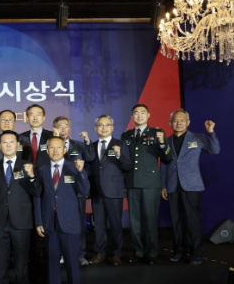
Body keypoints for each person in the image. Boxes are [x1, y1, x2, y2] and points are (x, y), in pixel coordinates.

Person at [35, 136, 89, 284]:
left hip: (70, 223)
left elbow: (85, 191)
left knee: (72, 263)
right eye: (52, 147)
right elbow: (38, 197)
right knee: (52, 263)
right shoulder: (42, 170)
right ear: (47, 150)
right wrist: (39, 221)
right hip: (50, 223)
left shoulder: (74, 168)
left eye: (58, 147)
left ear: (65, 150)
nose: (55, 150)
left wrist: (81, 172)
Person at [0, 131, 41, 284]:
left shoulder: (27, 166)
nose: (8, 145)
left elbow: (37, 192)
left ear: (18, 145)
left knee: (21, 264)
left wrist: (32, 176)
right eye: (5, 142)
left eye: (12, 142)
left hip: (22, 221)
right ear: (0, 146)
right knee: (0, 264)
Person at [161, 111, 219, 265]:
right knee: (176, 221)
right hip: (172, 185)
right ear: (170, 123)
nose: (178, 123)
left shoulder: (197, 137)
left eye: (182, 120)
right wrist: (163, 185)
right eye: (175, 120)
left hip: (192, 185)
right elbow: (164, 164)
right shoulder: (166, 141)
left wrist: (210, 132)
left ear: (188, 122)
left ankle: (196, 252)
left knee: (192, 220)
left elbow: (214, 150)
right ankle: (179, 251)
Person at [121, 104, 172, 265]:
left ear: (148, 115)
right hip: (132, 182)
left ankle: (151, 252)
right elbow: (125, 160)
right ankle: (138, 251)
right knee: (135, 221)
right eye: (136, 113)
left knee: (149, 219)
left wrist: (162, 142)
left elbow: (167, 157)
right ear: (132, 116)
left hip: (150, 183)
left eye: (142, 113)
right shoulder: (126, 135)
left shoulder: (157, 133)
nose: (139, 115)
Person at [86, 115, 132, 265]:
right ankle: (100, 253)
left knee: (115, 225)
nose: (104, 127)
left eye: (107, 125)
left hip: (114, 190)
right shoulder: (92, 146)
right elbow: (89, 169)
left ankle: (116, 254)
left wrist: (119, 155)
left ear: (112, 127)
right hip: (97, 191)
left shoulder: (120, 144)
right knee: (98, 226)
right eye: (100, 125)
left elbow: (127, 166)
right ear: (96, 128)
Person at [52, 116, 95, 266]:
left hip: (76, 190)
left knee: (79, 223)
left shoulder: (79, 145)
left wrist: (87, 141)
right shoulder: (51, 146)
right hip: (58, 191)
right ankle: (62, 253)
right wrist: (55, 139)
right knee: (59, 223)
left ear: (69, 128)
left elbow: (90, 157)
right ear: (55, 128)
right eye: (60, 126)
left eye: (66, 125)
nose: (63, 128)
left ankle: (80, 254)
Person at [20, 104, 54, 168]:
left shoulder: (52, 136)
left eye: (38, 114)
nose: (35, 118)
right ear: (27, 118)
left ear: (43, 118)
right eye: (32, 115)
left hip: (47, 172)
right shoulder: (20, 137)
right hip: (26, 172)